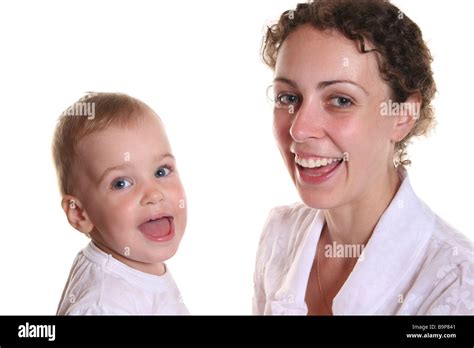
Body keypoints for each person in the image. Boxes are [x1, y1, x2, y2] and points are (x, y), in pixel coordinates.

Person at [253, 0, 474, 315]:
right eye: (289, 98)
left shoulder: (457, 283)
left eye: (340, 100)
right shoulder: (280, 234)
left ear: (402, 115)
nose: (300, 129)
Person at [53, 92, 189, 315]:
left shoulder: (135, 264)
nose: (153, 194)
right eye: (121, 183)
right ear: (79, 213)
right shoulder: (103, 305)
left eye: (161, 171)